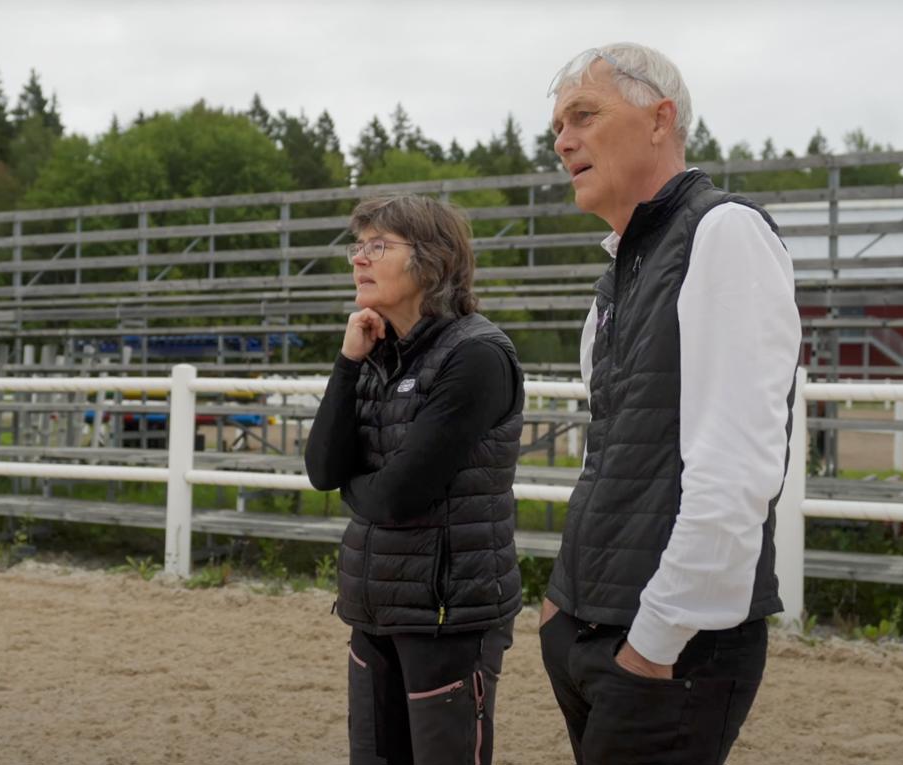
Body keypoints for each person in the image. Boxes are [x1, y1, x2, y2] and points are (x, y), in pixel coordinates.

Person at [538, 43, 802, 764]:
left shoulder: (725, 234)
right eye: (558, 125)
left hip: (670, 652)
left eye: (583, 115)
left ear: (661, 120)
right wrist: (560, 609)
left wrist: (654, 642)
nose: (562, 140)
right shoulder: (617, 274)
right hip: (591, 631)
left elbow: (736, 470)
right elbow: (611, 457)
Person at [304, 194, 524, 765]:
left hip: (447, 615)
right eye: (359, 246)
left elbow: (399, 495)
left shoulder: (476, 357)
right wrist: (349, 361)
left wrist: (359, 489)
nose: (359, 259)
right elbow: (322, 470)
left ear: (432, 259)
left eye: (378, 246)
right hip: (374, 606)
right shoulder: (380, 352)